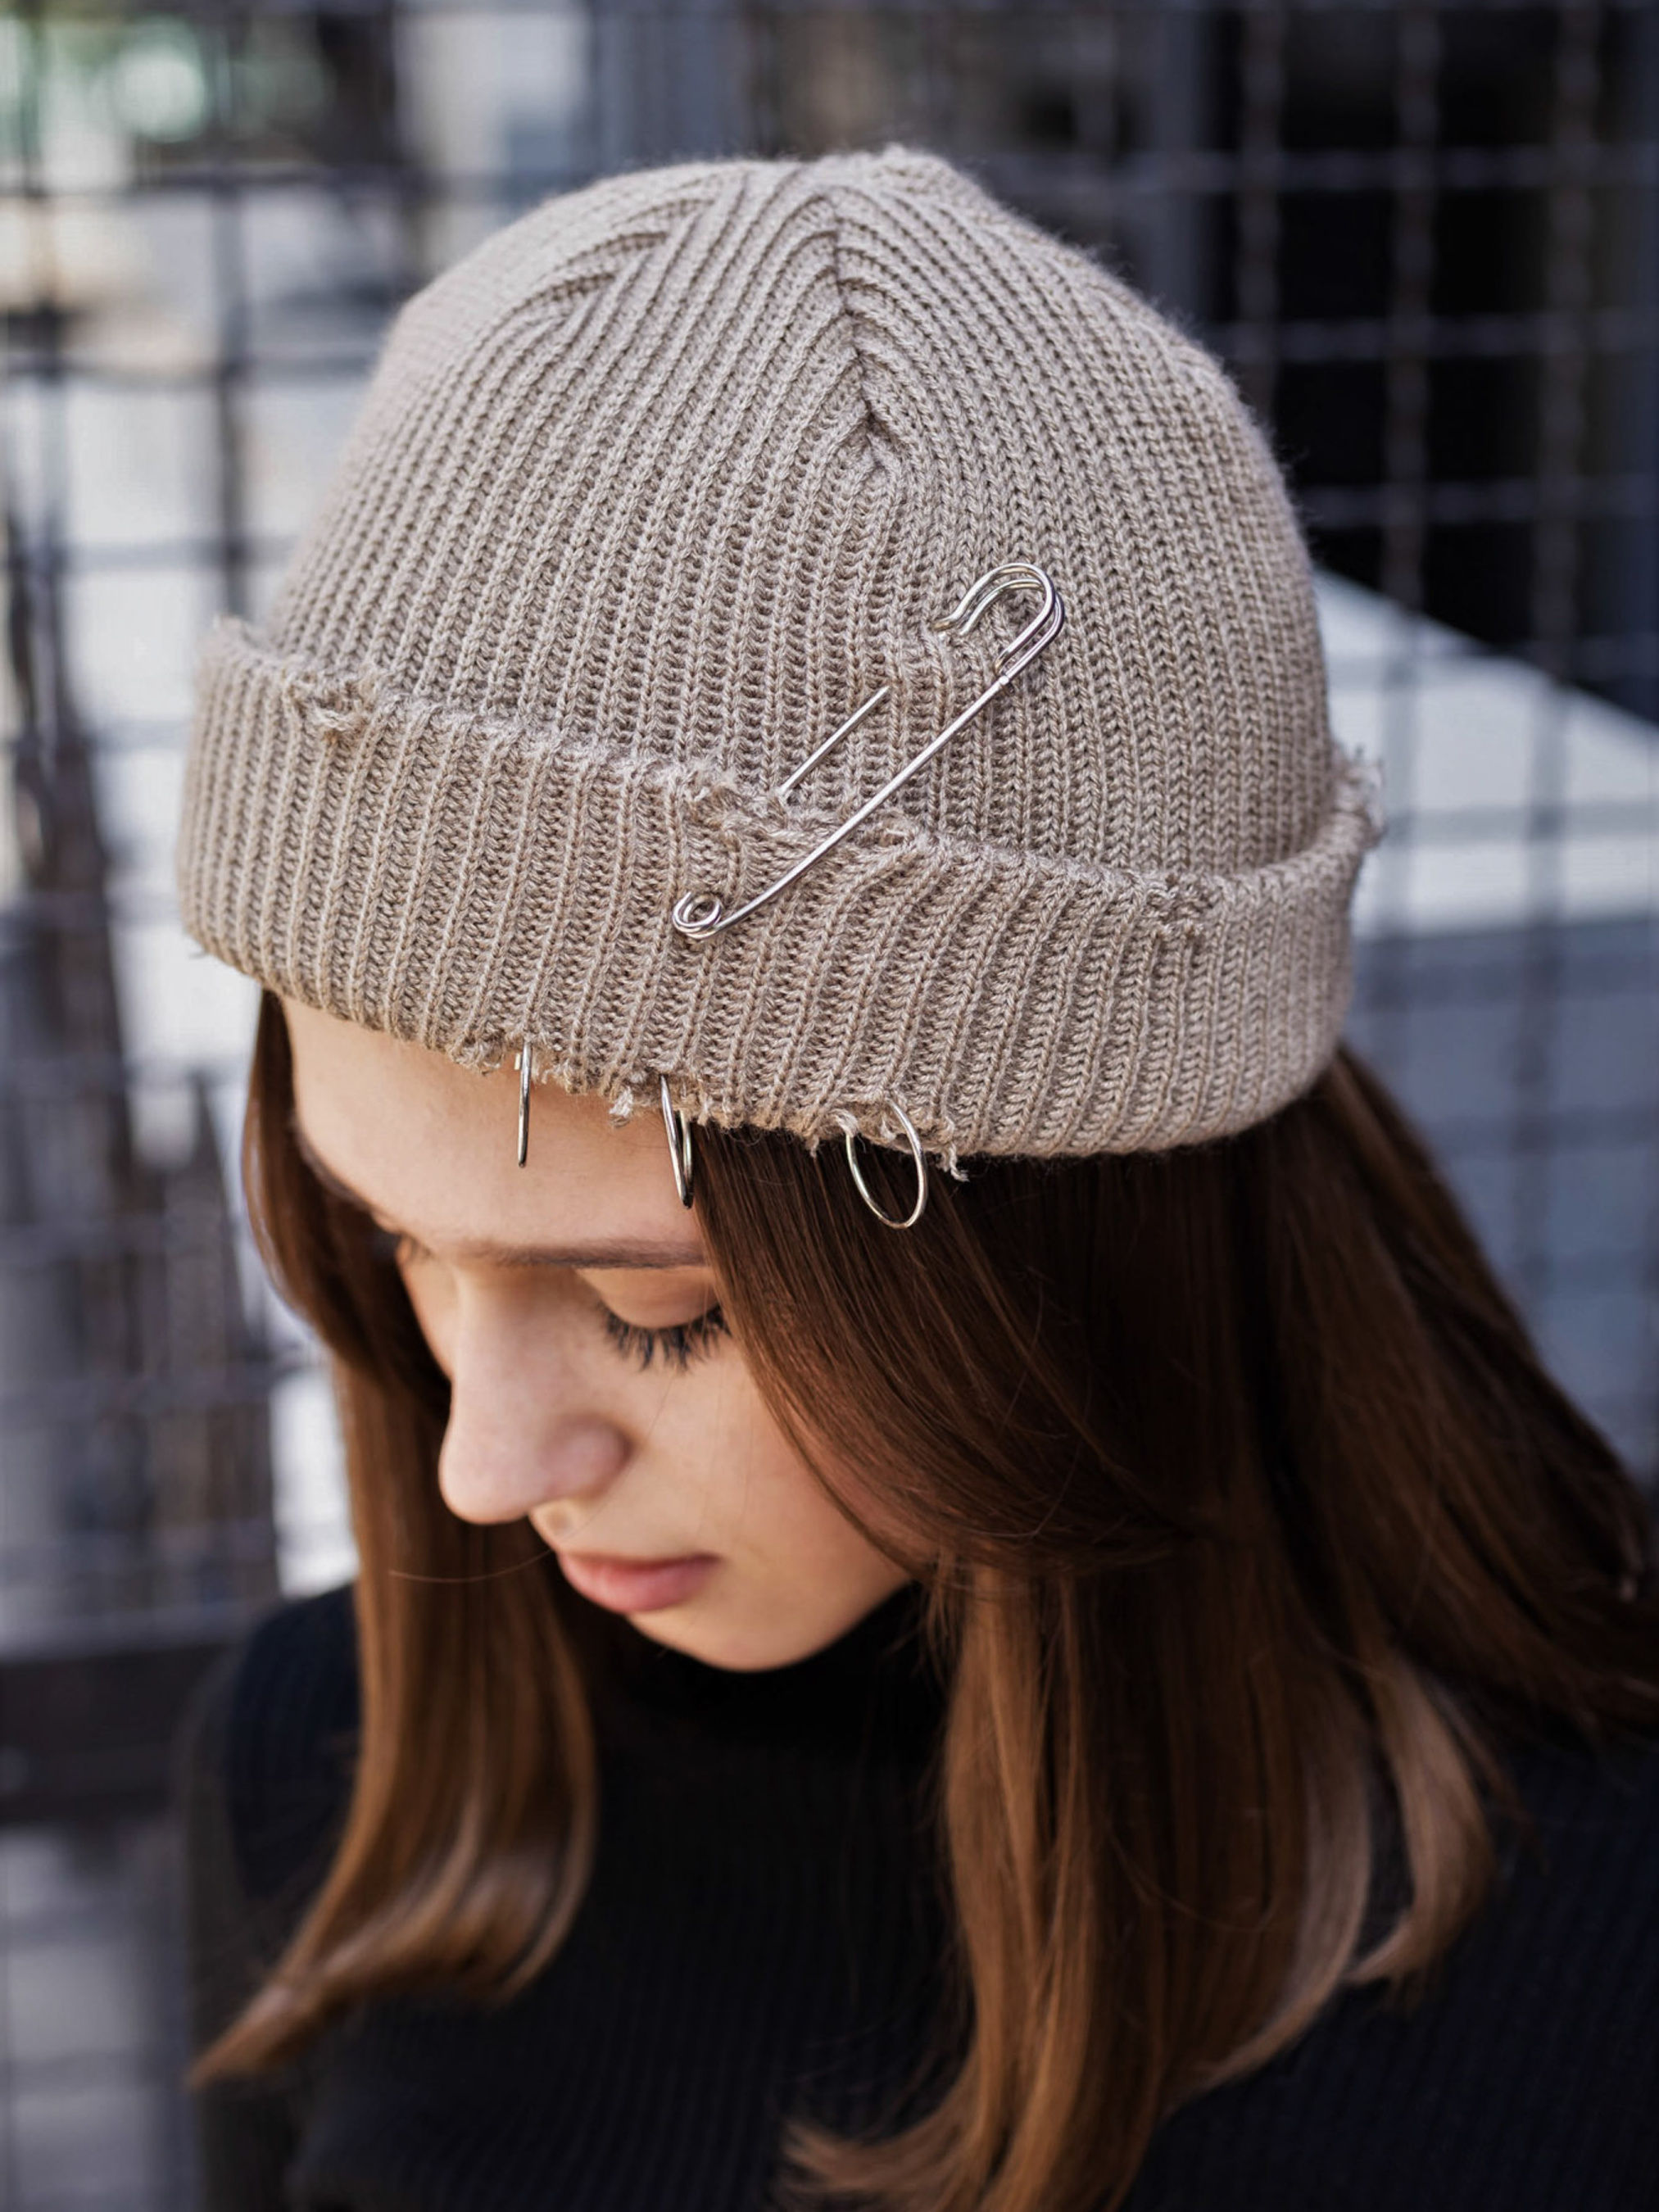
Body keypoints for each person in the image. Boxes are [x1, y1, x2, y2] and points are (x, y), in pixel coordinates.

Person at [175, 150, 1659, 2212]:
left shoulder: (1604, 1935)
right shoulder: (320, 1773)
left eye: (660, 1312)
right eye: (394, 1243)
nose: (482, 1471)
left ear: (1082, 1225)